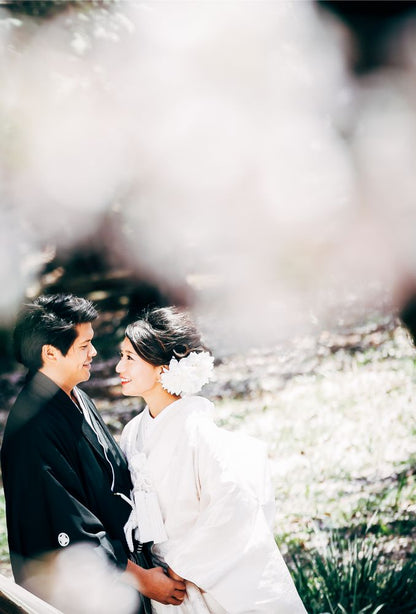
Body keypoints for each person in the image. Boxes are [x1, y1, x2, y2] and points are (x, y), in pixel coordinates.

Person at [1, 294, 186, 613]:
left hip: (118, 573)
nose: (94, 353)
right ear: (50, 353)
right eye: (84, 345)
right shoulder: (31, 429)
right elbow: (71, 526)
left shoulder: (76, 396)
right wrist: (142, 579)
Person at [116, 306, 308, 613]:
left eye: (129, 358)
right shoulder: (132, 432)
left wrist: (182, 566)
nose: (118, 368)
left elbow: (232, 504)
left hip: (199, 574)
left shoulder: (197, 429)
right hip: (161, 582)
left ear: (162, 368)